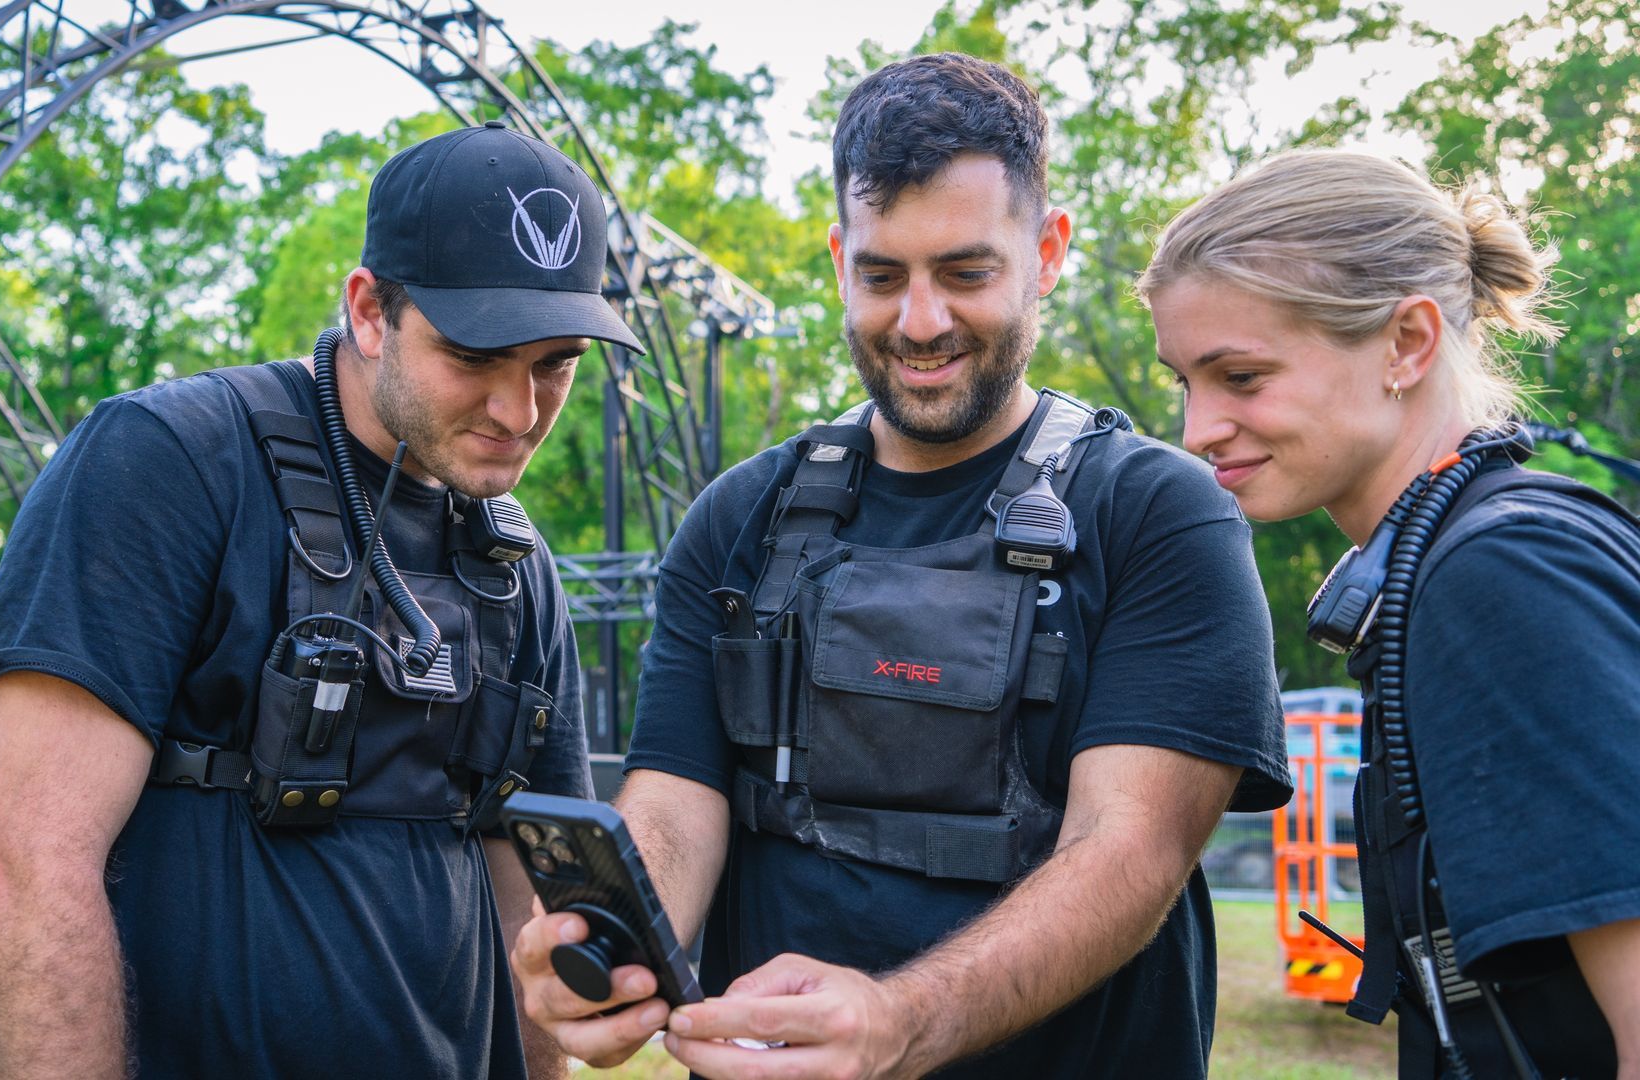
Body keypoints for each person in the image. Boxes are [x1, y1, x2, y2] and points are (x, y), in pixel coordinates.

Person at [511, 53, 1293, 1078]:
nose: (920, 322)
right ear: (839, 257)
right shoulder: (741, 519)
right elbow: (671, 802)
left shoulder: (1159, 515)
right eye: (882, 276)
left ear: (1047, 252)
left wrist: (899, 1021)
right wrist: (609, 936)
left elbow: (1130, 852)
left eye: (966, 272)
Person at [0, 122, 643, 1078]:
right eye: (477, 355)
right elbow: (26, 867)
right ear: (369, 311)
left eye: (555, 363)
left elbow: (526, 895)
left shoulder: (515, 560)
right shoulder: (169, 463)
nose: (519, 412)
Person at [1140, 147, 1640, 1078]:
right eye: (1186, 383)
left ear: (1406, 344)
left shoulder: (1504, 575)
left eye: (1241, 377)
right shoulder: (1451, 565)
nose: (1197, 429)